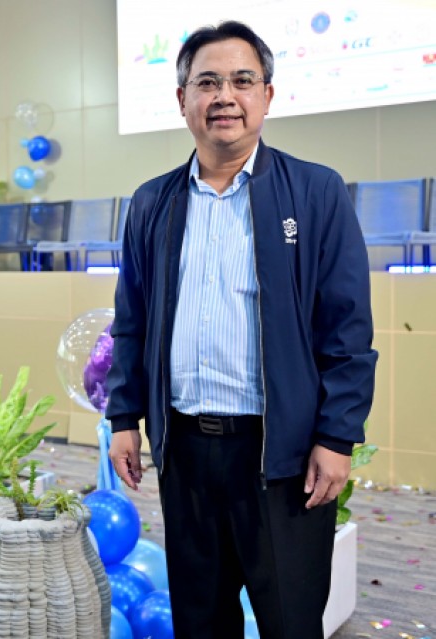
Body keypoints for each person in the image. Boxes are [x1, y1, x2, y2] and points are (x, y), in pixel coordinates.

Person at [105, 20, 376, 639]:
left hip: (281, 457)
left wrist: (337, 437)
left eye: (241, 81)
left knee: (290, 622)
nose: (224, 96)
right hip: (186, 453)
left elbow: (346, 330)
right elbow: (132, 320)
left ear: (267, 96)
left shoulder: (315, 192)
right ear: (183, 100)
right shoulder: (152, 203)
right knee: (201, 621)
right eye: (207, 83)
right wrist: (123, 418)